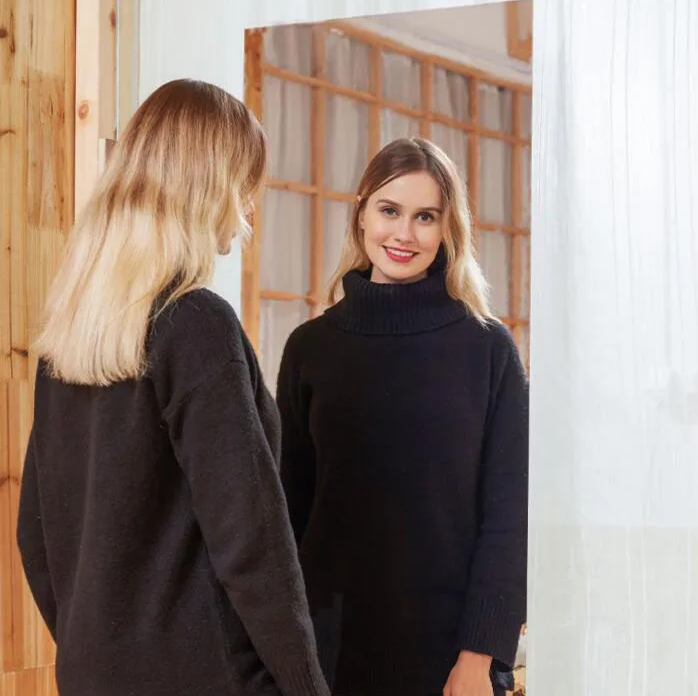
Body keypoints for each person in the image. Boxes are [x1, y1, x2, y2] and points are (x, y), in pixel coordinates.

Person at [16, 79, 329, 696]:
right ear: (211, 185)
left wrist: (97, 650)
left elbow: (36, 534)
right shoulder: (196, 323)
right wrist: (305, 684)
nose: (248, 208)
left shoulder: (70, 337)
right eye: (245, 184)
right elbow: (250, 539)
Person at [277, 137, 529, 696]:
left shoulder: (487, 349)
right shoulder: (309, 349)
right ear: (362, 213)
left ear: (447, 230)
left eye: (425, 217)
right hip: (327, 650)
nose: (404, 234)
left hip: (449, 656)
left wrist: (479, 656)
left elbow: (509, 517)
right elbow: (290, 512)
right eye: (389, 210)